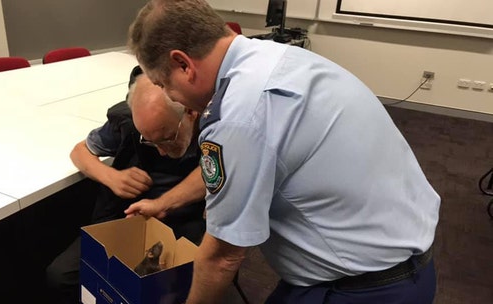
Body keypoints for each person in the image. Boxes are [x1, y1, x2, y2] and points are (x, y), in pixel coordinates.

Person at [126, 1, 441, 303]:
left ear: (183, 64)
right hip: (403, 259)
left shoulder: (239, 115)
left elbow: (223, 257)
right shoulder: (271, 57)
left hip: (363, 288)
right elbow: (239, 168)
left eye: (163, 84)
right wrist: (165, 202)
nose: (170, 97)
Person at [45, 65, 206, 304]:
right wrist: (113, 177)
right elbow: (80, 151)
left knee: (170, 289)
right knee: (60, 276)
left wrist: (162, 204)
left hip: (184, 218)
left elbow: (215, 173)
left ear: (190, 113)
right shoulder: (129, 120)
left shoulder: (215, 123)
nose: (161, 152)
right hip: (130, 215)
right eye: (150, 141)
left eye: (167, 138)